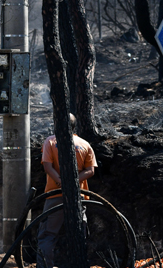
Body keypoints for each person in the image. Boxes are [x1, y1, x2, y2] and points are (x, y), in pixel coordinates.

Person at [36, 113, 97, 268]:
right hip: (78, 197)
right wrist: (73, 183)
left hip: (55, 195)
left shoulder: (50, 141)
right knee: (79, 235)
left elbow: (47, 166)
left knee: (48, 235)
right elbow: (90, 171)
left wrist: (61, 182)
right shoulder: (84, 144)